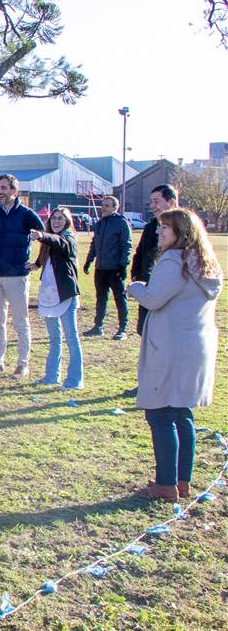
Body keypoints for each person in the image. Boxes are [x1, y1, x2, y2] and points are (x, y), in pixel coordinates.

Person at [127, 208, 222, 501]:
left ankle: (166, 485)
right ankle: (182, 482)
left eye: (165, 228)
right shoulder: (204, 261)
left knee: (160, 414)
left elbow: (154, 299)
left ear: (180, 232)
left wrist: (136, 288)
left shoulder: (174, 260)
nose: (159, 233)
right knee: (181, 412)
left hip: (171, 347)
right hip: (194, 346)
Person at [0, 174, 44, 377]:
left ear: (14, 191)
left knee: (21, 323)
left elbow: (46, 236)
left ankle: (23, 364)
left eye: (4, 188)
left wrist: (37, 263)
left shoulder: (26, 214)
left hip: (17, 276)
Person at [28, 207, 83, 389]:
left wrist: (42, 235)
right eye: (54, 218)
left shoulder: (68, 238)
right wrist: (36, 265)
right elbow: (47, 256)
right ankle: (52, 376)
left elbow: (61, 244)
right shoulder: (49, 241)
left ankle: (75, 380)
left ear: (67, 221)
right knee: (54, 338)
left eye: (60, 218)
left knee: (71, 339)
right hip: (49, 295)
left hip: (65, 294)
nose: (56, 221)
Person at [82, 195, 132, 340]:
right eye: (102, 205)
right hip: (100, 268)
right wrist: (89, 260)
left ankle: (123, 328)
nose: (103, 208)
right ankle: (98, 326)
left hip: (114, 268)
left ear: (115, 207)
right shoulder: (100, 223)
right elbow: (94, 243)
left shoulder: (121, 223)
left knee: (120, 299)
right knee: (101, 298)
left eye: (107, 205)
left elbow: (126, 245)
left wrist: (123, 265)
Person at [130, 184, 179, 335]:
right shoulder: (150, 227)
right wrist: (137, 276)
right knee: (143, 329)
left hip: (170, 292)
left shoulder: (185, 228)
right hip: (149, 286)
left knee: (163, 333)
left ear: (171, 202)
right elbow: (140, 253)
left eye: (156, 201)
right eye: (151, 202)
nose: (152, 206)